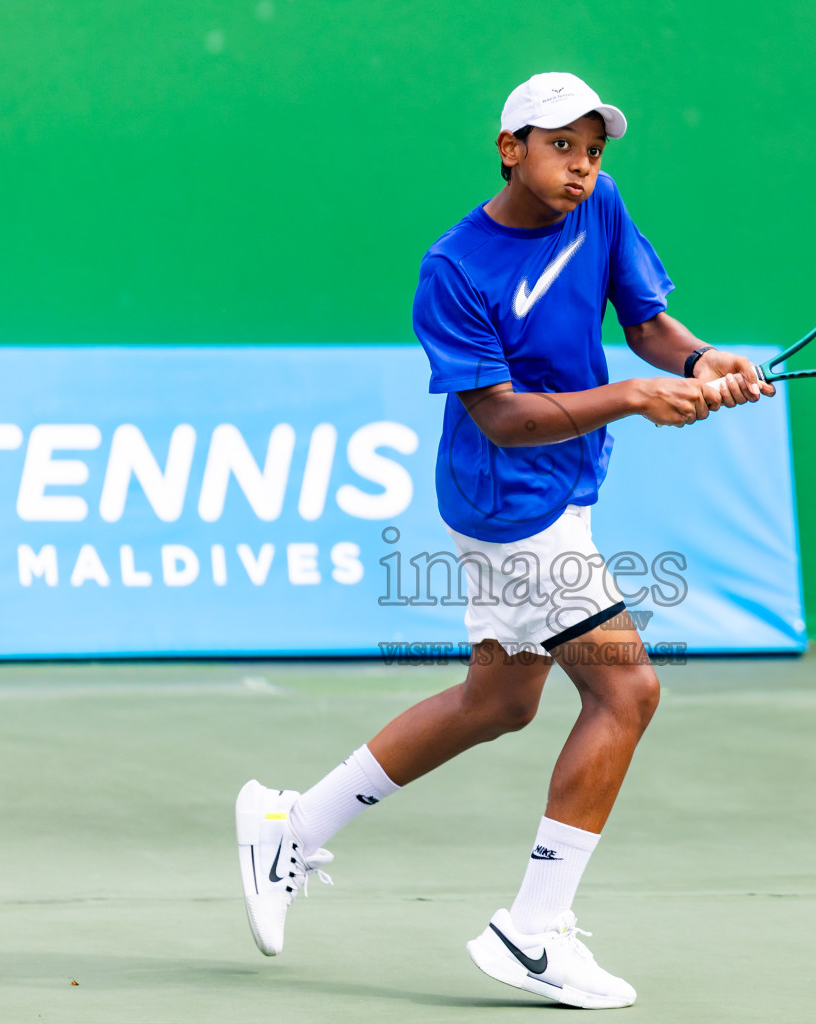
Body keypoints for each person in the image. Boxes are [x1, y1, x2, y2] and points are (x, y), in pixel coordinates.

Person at [235, 71, 773, 1010]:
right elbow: (503, 419)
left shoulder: (598, 207)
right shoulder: (455, 269)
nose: (582, 166)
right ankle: (532, 930)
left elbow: (642, 320)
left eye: (594, 149)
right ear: (509, 146)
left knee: (499, 701)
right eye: (561, 145)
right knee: (628, 689)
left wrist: (694, 359)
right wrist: (639, 398)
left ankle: (290, 823)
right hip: (510, 502)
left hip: (565, 487)